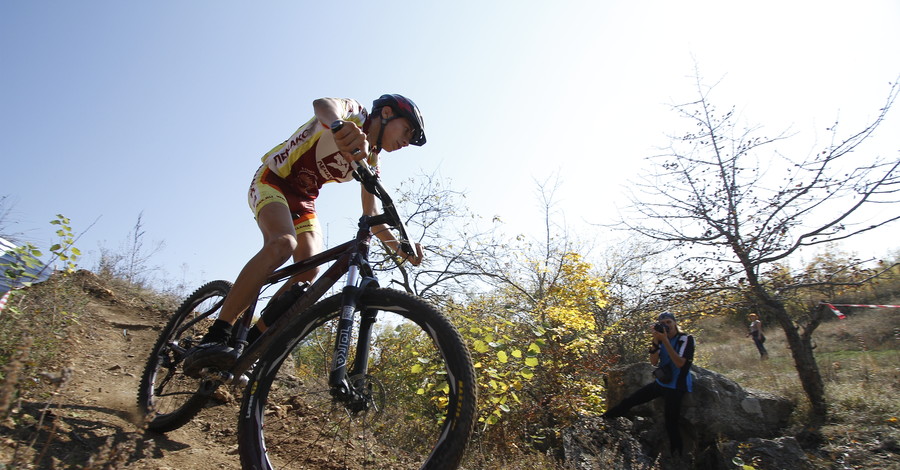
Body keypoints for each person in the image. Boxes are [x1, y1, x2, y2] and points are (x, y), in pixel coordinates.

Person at [183, 95, 427, 376]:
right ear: (386, 113)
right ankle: (216, 334)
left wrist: (400, 248)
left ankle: (248, 343)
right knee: (283, 243)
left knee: (309, 271)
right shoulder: (355, 114)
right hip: (273, 180)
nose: (406, 142)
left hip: (303, 201)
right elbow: (322, 104)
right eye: (406, 131)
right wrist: (338, 125)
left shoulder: (371, 159)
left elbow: (371, 218)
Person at [603, 311, 695, 457]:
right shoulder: (659, 338)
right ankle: (604, 420)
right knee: (630, 400)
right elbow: (653, 362)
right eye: (662, 323)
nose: (666, 326)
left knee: (671, 422)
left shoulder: (685, 339)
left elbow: (680, 363)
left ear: (675, 323)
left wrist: (664, 340)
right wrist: (656, 340)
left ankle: (678, 457)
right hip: (661, 383)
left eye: (669, 322)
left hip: (677, 386)